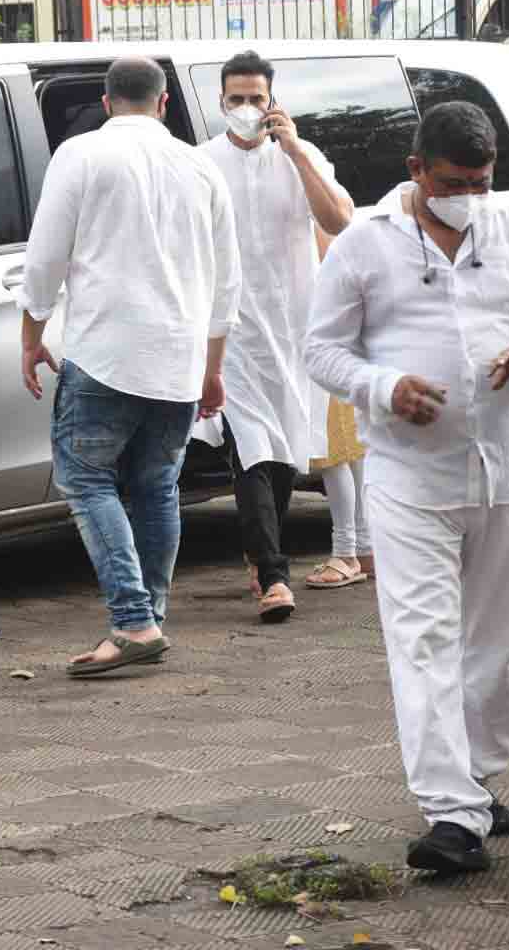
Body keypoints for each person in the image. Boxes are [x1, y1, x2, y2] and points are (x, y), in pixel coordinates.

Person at [305, 101, 509, 875]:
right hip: (409, 475)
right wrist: (379, 385)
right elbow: (322, 350)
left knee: (496, 645)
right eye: (451, 182)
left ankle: (474, 779)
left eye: (479, 181)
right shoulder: (364, 245)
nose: (467, 195)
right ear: (415, 171)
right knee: (423, 639)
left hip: (507, 468)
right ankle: (451, 815)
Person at [18, 56, 241, 677]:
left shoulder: (81, 155)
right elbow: (228, 287)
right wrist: (212, 368)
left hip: (105, 355)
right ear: (165, 102)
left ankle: (134, 619)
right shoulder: (201, 167)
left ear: (107, 101)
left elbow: (44, 261)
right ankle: (151, 618)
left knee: (87, 480)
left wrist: (32, 335)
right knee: (156, 488)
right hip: (179, 359)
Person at [195, 50, 354, 623]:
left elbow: (338, 220)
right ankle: (273, 575)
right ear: (220, 102)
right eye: (235, 99)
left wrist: (293, 151)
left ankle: (261, 555)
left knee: (285, 451)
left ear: (273, 103)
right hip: (232, 335)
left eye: (255, 99)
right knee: (253, 451)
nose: (244, 109)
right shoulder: (202, 163)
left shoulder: (300, 156)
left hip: (295, 330)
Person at [307, 227, 371, 590]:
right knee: (351, 454)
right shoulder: (340, 230)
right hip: (347, 351)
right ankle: (363, 548)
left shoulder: (317, 229)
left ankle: (345, 552)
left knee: (332, 456)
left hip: (328, 352)